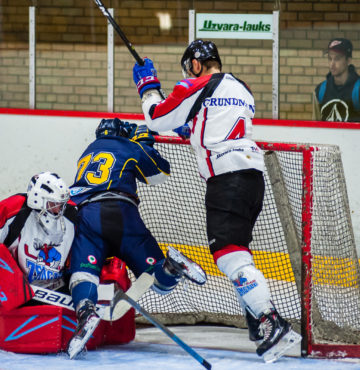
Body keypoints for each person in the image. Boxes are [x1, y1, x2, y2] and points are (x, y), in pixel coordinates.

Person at [132, 39, 301, 363]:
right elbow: (215, 120)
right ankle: (256, 319)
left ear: (195, 64)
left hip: (227, 178)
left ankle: (271, 322)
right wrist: (192, 128)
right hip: (252, 176)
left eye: (189, 68)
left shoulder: (194, 85)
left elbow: (156, 116)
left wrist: (148, 86)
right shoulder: (242, 87)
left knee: (228, 256)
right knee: (238, 251)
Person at [67, 118, 206, 359]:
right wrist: (145, 142)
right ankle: (171, 267)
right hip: (121, 214)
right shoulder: (129, 146)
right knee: (160, 283)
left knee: (83, 274)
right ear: (122, 134)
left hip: (87, 216)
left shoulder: (86, 152)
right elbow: (159, 174)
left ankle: (87, 314)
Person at [0, 171, 76, 308]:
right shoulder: (13, 209)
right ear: (37, 199)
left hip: (57, 291)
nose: (60, 209)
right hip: (15, 291)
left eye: (62, 204)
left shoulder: (72, 215)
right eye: (54, 203)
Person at [313, 38, 360, 122]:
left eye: (337, 59)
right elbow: (314, 129)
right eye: (330, 58)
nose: (332, 64)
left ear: (348, 60)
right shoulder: (320, 91)